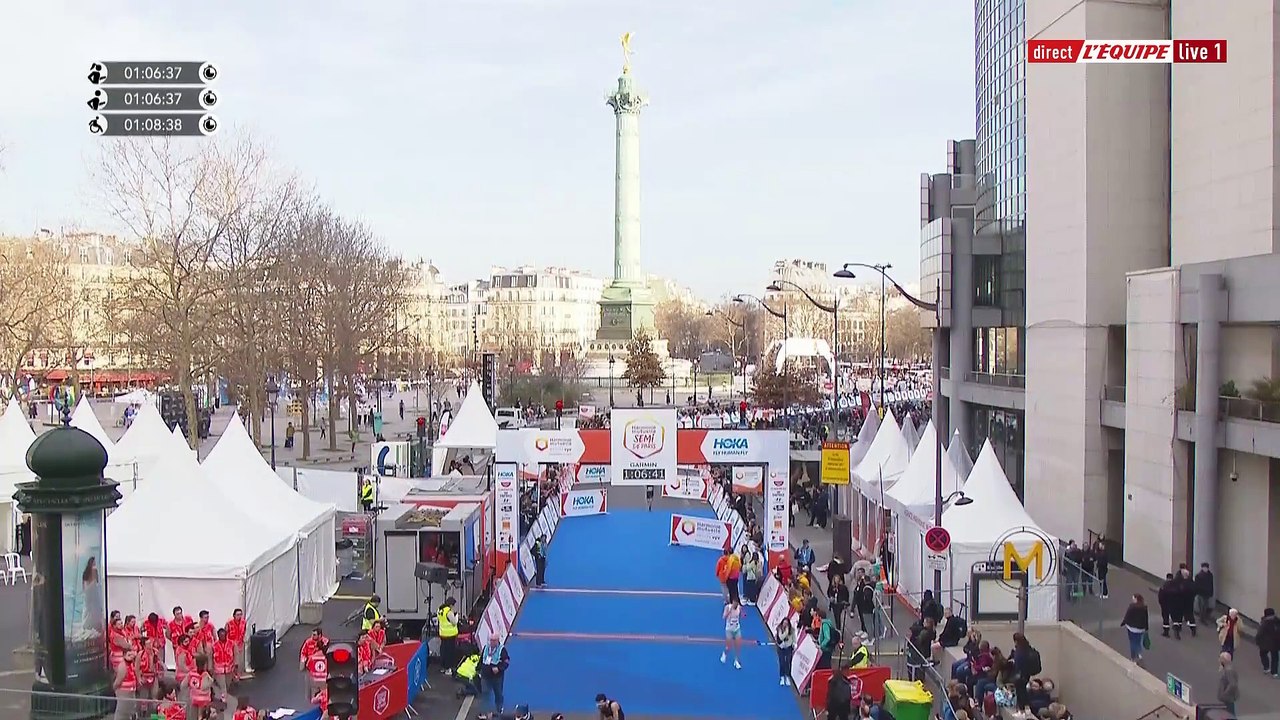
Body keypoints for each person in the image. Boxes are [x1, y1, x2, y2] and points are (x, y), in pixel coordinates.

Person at [479, 634, 510, 714]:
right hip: (485, 676)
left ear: (497, 640)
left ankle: (499, 709)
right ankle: (486, 712)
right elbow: (481, 659)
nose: (492, 642)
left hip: (497, 677)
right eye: (491, 640)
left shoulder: (502, 650)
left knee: (498, 693)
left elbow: (506, 662)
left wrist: (499, 668)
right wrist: (478, 669)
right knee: (485, 694)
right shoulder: (486, 648)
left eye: (494, 640)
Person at [1122, 593, 1150, 662]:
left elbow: (1127, 616)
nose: (1132, 600)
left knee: (1132, 642)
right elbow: (1146, 619)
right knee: (1138, 641)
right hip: (1141, 629)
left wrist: (1123, 623)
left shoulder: (1132, 607)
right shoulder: (1144, 607)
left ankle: (1133, 657)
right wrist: (1146, 628)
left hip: (1132, 628)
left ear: (1136, 599)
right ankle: (1139, 653)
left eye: (1133, 598)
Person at [112, 648, 139, 720]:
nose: (131, 656)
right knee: (122, 712)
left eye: (132, 654)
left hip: (131, 692)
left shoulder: (131, 664)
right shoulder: (123, 665)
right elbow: (118, 681)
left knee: (129, 712)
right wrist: (115, 689)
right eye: (128, 655)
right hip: (124, 693)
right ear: (124, 655)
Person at [437, 597, 461, 675]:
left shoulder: (440, 610)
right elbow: (454, 622)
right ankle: (448, 668)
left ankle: (443, 667)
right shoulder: (448, 612)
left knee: (443, 651)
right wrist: (456, 614)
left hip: (443, 634)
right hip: (450, 635)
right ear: (451, 605)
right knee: (449, 652)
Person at [211, 628, 235, 696]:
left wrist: (236, 665)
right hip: (218, 669)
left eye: (224, 635)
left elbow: (235, 654)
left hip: (229, 668)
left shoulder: (231, 643)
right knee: (222, 686)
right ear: (218, 636)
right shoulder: (214, 645)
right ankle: (224, 699)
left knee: (227, 684)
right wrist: (210, 668)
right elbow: (210, 657)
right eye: (221, 635)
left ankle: (224, 694)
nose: (222, 637)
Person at [225, 609, 247, 680]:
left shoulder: (243, 622)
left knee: (239, 661)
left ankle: (238, 674)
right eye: (238, 615)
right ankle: (232, 675)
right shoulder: (229, 623)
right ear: (234, 615)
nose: (239, 616)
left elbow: (244, 631)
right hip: (231, 644)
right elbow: (225, 633)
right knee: (232, 660)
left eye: (240, 614)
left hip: (240, 643)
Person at [721, 600, 743, 669]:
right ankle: (725, 653)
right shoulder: (727, 607)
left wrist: (743, 614)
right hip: (729, 630)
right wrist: (729, 611)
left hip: (737, 629)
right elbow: (724, 617)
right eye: (735, 603)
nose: (736, 605)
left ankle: (736, 661)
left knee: (738, 646)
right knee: (729, 646)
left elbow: (742, 615)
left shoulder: (739, 607)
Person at [1258, 607, 1279, 678]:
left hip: (1266, 643)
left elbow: (1260, 633)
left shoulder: (1264, 622)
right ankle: (1274, 672)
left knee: (1263, 653)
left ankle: (1267, 668)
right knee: (1275, 657)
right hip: (1276, 642)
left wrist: (1257, 640)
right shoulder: (1277, 621)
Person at [1158, 573, 1180, 638]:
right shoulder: (1176, 585)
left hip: (1165, 605)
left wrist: (1161, 603)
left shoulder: (1164, 585)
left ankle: (1166, 632)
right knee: (1175, 618)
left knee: (1165, 618)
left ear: (1167, 578)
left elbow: (1160, 596)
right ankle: (1177, 631)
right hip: (1174, 604)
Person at [1216, 652, 1239, 716]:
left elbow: (1233, 684)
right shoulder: (1227, 668)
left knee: (1230, 714)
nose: (1219, 660)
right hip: (1228, 698)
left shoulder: (1229, 670)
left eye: (1220, 658)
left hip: (1228, 698)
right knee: (1228, 714)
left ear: (1224, 660)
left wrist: (1224, 693)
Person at [775, 616, 795, 686]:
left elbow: (794, 638)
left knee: (788, 662)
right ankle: (782, 677)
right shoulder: (779, 629)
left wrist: (794, 643)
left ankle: (787, 676)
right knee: (782, 662)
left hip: (788, 648)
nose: (785, 625)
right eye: (784, 623)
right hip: (781, 648)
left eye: (787, 624)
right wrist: (786, 631)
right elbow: (781, 637)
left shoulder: (792, 630)